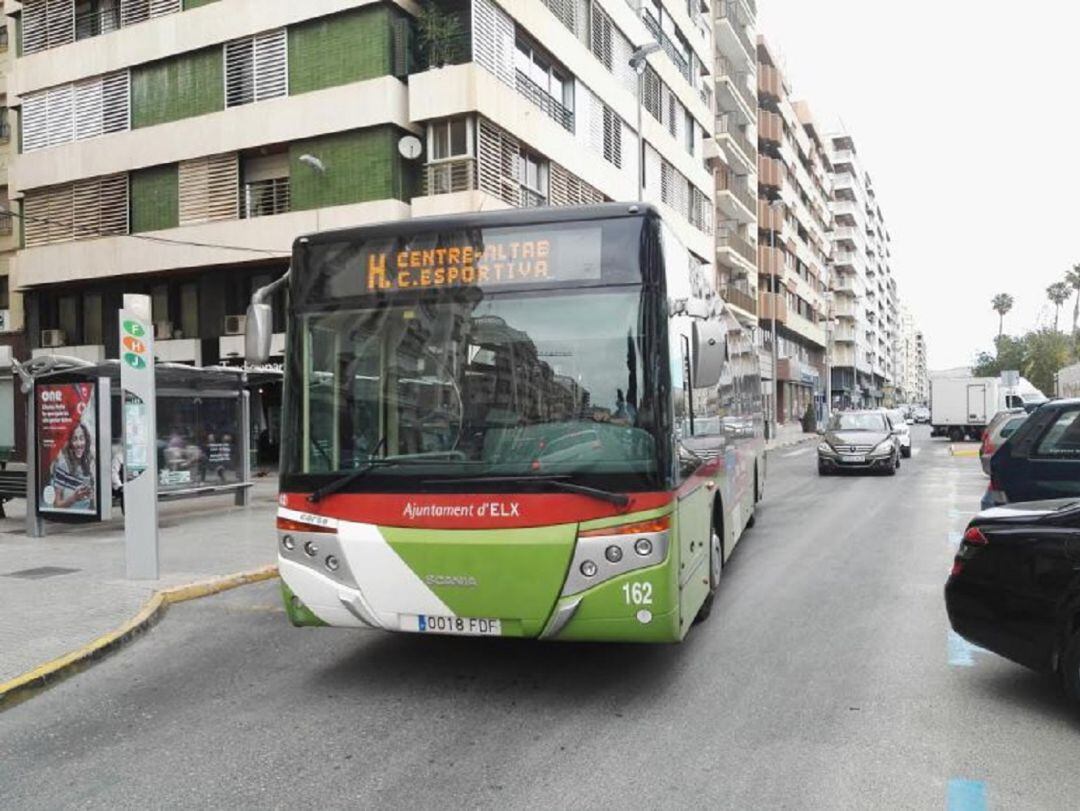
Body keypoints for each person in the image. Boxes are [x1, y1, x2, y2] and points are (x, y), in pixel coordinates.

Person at [51, 422, 95, 511]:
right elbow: (56, 505)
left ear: (86, 441)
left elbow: (91, 502)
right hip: (67, 521)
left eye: (82, 438)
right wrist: (74, 498)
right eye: (74, 439)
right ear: (70, 443)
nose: (79, 444)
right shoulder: (63, 465)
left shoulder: (88, 461)